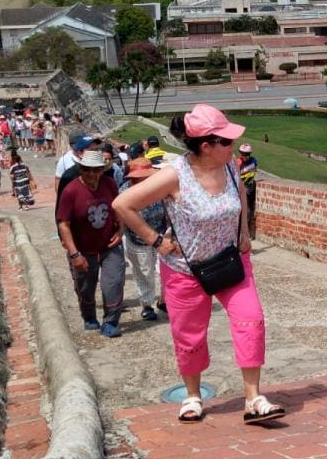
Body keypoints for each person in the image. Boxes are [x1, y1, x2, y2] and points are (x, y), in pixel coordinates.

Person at [114, 104, 284, 425]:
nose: (232, 146)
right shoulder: (174, 175)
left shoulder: (231, 167)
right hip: (185, 270)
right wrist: (156, 240)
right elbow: (123, 205)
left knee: (252, 319)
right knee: (189, 334)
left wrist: (244, 231)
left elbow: (242, 197)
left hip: (232, 263)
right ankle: (193, 396)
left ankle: (253, 398)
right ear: (206, 147)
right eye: (226, 141)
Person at [57, 148, 126, 337]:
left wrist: (121, 230)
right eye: (87, 169)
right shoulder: (71, 191)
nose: (91, 174)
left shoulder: (110, 184)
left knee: (113, 283)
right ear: (80, 168)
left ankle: (111, 321)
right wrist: (74, 253)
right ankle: (89, 317)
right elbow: (63, 224)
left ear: (102, 170)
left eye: (96, 170)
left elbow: (118, 207)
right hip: (82, 248)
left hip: (109, 245)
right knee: (85, 287)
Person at [118, 157, 166, 320]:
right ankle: (147, 305)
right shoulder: (124, 192)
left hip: (161, 235)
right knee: (144, 272)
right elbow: (121, 216)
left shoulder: (159, 188)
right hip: (137, 239)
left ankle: (165, 301)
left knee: (166, 270)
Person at [237, 143, 259, 240]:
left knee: (250, 211)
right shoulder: (238, 162)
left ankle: (247, 233)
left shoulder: (254, 161)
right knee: (245, 212)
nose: (244, 156)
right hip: (242, 189)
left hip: (251, 188)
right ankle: (243, 234)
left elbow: (254, 172)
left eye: (246, 154)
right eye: (242, 154)